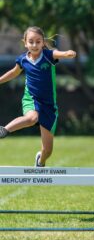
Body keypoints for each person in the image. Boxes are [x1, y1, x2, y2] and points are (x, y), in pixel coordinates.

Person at [0, 26, 76, 167]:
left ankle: (40, 161)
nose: (34, 45)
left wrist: (67, 53)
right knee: (32, 118)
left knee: (47, 150)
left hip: (49, 106)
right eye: (31, 42)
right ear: (25, 43)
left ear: (42, 42)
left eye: (38, 41)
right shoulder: (23, 60)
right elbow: (13, 73)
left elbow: (58, 53)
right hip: (31, 99)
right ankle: (4, 130)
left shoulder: (47, 55)